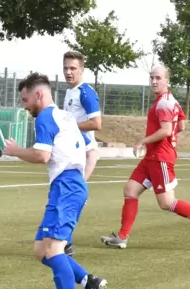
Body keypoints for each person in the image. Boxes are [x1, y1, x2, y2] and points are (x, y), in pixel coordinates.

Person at [3, 72, 107, 289]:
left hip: (67, 188)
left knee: (53, 248)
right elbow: (92, 151)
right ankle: (88, 280)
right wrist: (81, 180)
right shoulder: (66, 117)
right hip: (70, 186)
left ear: (38, 94)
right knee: (42, 250)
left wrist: (16, 151)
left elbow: (42, 156)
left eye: (25, 99)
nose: (25, 106)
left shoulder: (46, 118)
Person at [99, 66, 190, 249]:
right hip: (152, 157)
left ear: (167, 81)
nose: (154, 81)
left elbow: (167, 130)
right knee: (130, 190)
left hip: (160, 158)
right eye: (152, 78)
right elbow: (181, 125)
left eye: (158, 78)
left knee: (167, 203)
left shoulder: (164, 103)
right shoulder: (170, 101)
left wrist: (143, 140)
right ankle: (122, 237)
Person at [62, 51, 102, 257]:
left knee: (72, 196)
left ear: (82, 70)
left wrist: (69, 126)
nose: (68, 72)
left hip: (85, 152)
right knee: (69, 195)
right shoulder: (70, 91)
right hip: (73, 151)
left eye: (73, 68)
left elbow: (97, 124)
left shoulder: (85, 92)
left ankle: (65, 241)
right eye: (66, 68)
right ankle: (64, 240)